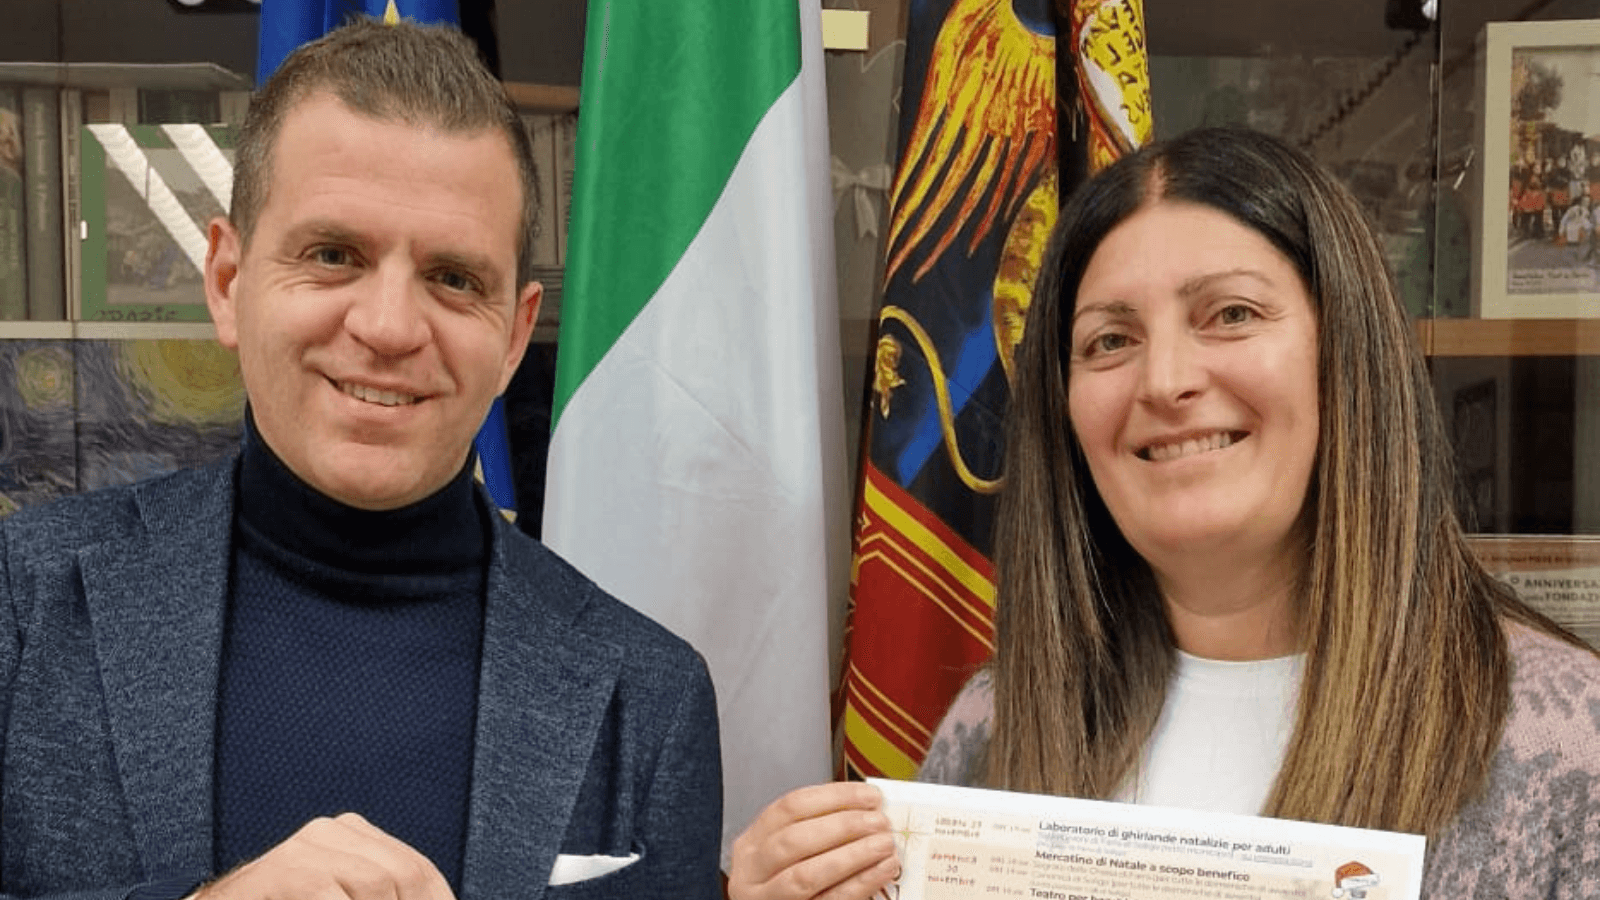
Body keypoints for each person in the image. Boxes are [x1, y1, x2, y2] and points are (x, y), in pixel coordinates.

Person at [727, 127, 1600, 900]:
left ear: (1346, 353)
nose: (1166, 381)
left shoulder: (1567, 743)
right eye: (1110, 340)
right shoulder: (990, 728)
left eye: (1231, 314)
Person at [0, 18, 721, 900]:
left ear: (514, 335)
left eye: (454, 278)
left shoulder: (649, 697)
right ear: (227, 283)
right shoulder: (22, 605)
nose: (388, 327)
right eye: (334, 256)